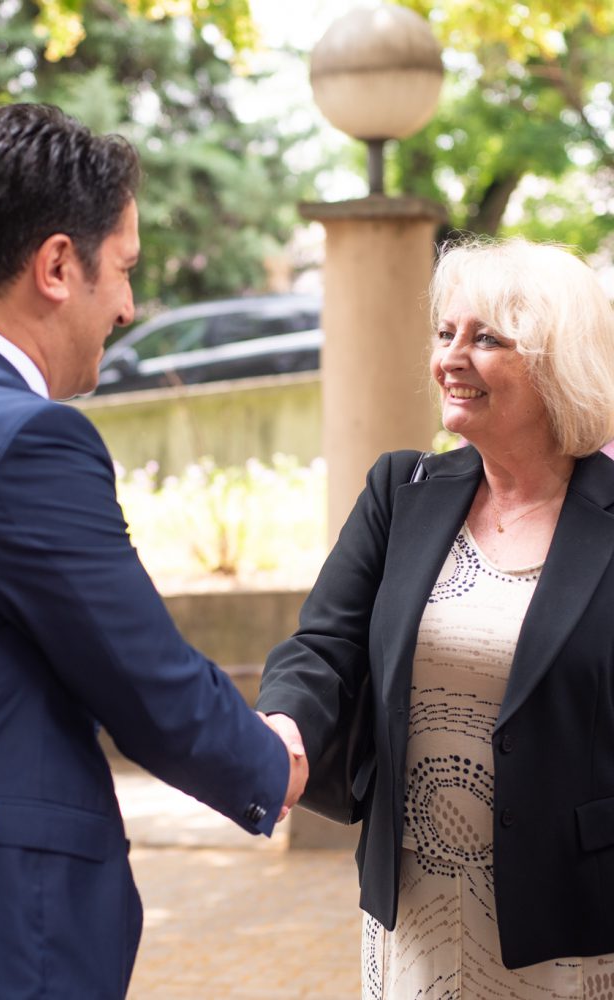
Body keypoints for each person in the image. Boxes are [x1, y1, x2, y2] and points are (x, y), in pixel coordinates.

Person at [0, 103, 307, 1000]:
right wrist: (273, 762)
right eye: (122, 269)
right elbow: (146, 679)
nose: (127, 306)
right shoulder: (23, 439)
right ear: (55, 266)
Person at [258, 236, 614, 997]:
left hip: (571, 915)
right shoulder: (400, 491)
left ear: (557, 362)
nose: (451, 357)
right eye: (445, 332)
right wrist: (285, 724)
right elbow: (322, 646)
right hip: (415, 904)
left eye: (485, 339)